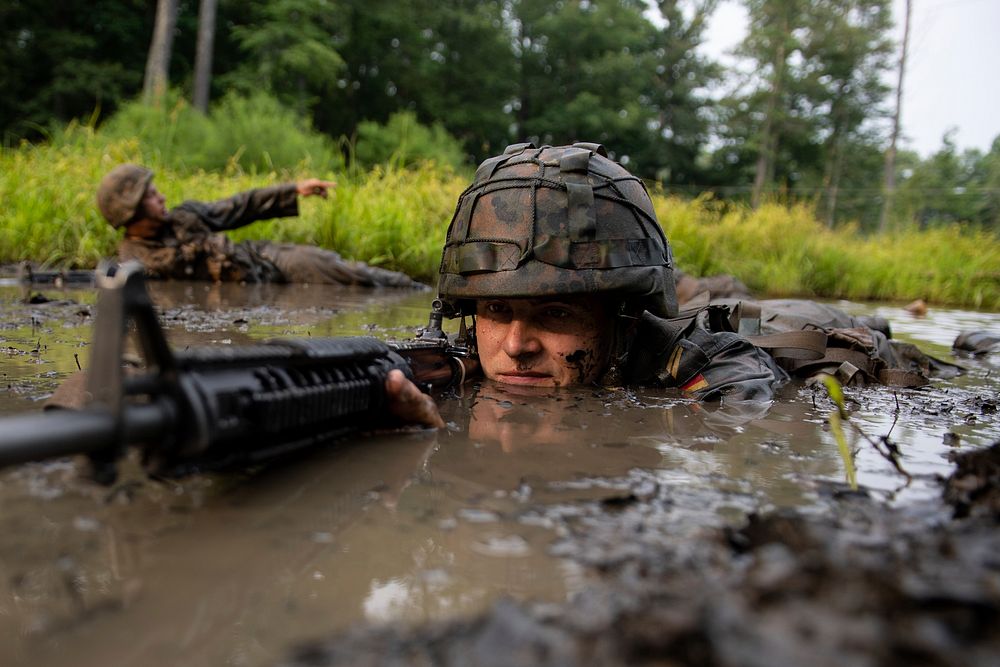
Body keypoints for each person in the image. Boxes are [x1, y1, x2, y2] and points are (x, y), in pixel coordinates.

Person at [386, 142, 790, 427]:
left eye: (555, 313)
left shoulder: (711, 364)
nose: (515, 346)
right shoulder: (458, 352)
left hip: (777, 323)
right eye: (497, 309)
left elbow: (739, 419)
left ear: (625, 318)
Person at [96, 164, 426, 288]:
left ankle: (414, 289)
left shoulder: (184, 215)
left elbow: (241, 206)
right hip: (252, 289)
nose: (163, 198)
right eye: (153, 197)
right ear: (133, 212)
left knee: (347, 272)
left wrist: (294, 189)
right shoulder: (134, 262)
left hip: (264, 258)